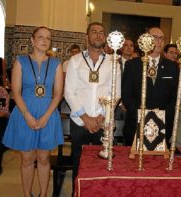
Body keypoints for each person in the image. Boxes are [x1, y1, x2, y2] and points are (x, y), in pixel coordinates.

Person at [2, 26, 64, 197]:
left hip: (48, 114)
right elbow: (15, 92)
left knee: (44, 159)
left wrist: (46, 116)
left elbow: (58, 94)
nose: (45, 40)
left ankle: (43, 194)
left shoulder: (56, 64)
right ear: (32, 40)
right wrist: (27, 115)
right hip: (24, 113)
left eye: (48, 38)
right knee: (27, 159)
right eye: (41, 37)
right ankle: (27, 194)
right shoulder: (20, 61)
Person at [64, 22, 121, 195]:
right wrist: (86, 118)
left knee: (102, 164)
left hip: (103, 122)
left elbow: (116, 93)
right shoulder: (75, 61)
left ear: (105, 38)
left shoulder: (113, 62)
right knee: (78, 163)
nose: (98, 35)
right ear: (87, 36)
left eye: (101, 33)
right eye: (94, 32)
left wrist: (101, 117)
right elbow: (69, 92)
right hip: (79, 121)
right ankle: (78, 192)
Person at [122, 27, 179, 147]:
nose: (159, 41)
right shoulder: (132, 65)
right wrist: (144, 114)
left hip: (162, 125)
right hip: (136, 124)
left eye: (162, 38)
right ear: (145, 40)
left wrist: (161, 115)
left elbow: (176, 96)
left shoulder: (172, 67)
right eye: (155, 37)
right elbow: (126, 95)